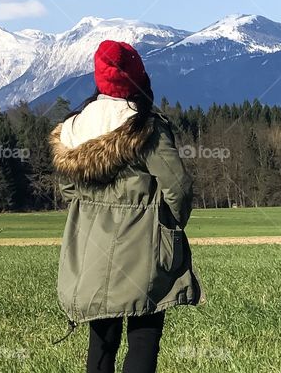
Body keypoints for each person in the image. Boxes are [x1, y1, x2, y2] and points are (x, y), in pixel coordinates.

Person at [50, 39, 203, 373]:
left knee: (101, 340)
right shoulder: (146, 127)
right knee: (144, 337)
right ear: (138, 78)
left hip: (89, 246)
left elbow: (66, 188)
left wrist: (89, 217)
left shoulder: (73, 129)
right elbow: (178, 187)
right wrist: (169, 227)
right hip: (144, 247)